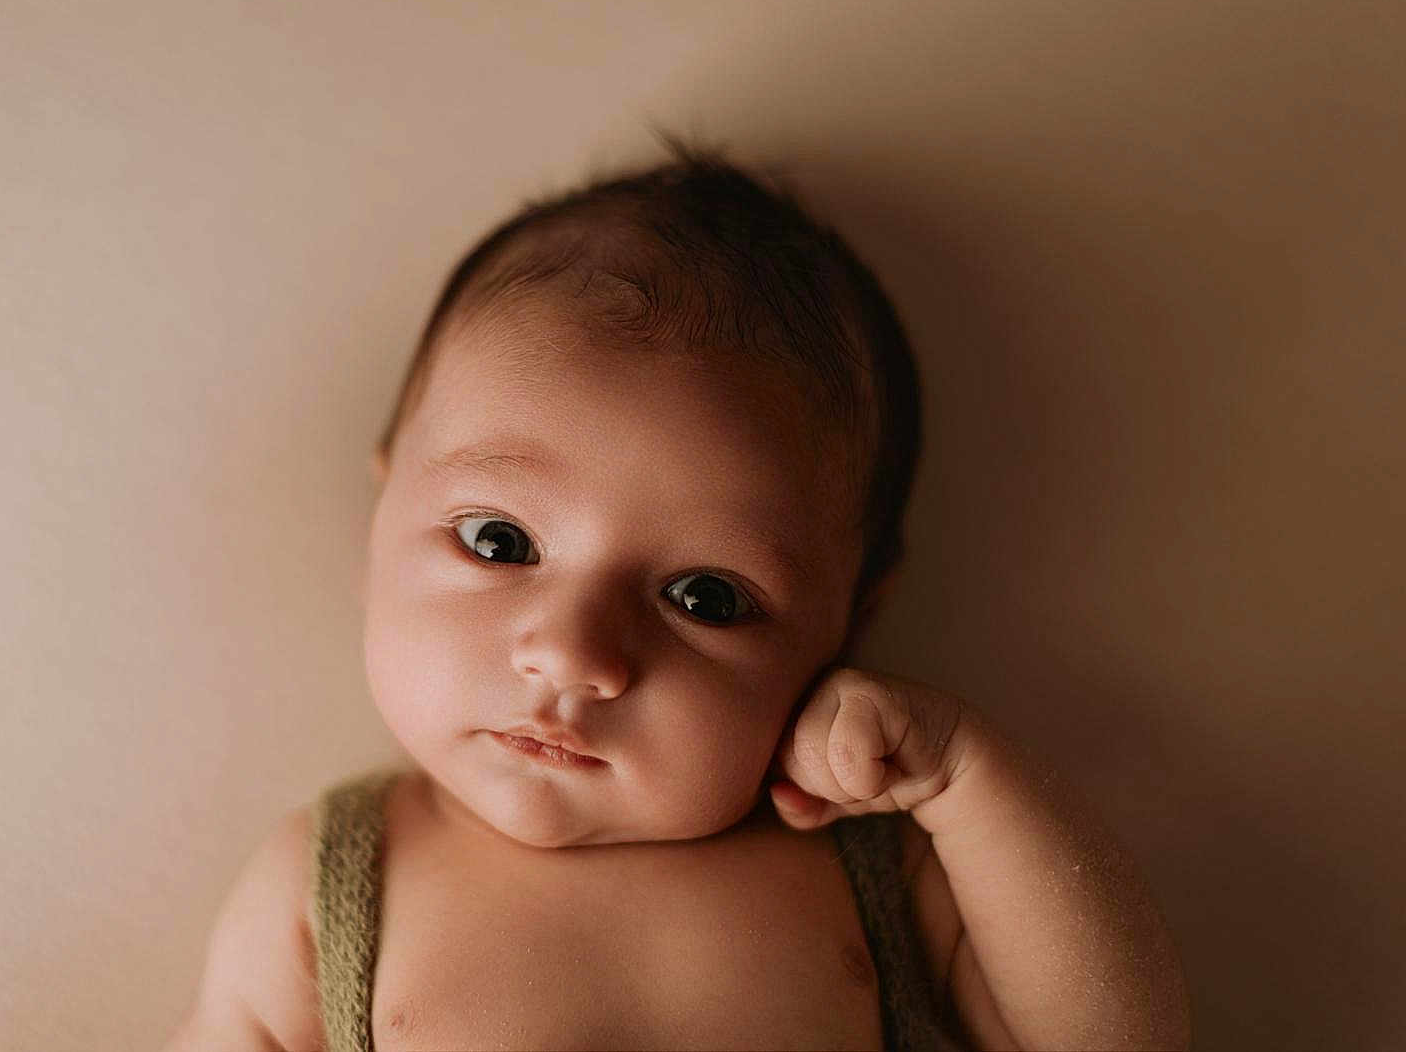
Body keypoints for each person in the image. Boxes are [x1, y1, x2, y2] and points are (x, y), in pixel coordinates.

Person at [163, 140, 1190, 1051]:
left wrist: (967, 779)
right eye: (498, 539)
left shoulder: (866, 862)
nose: (572, 654)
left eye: (703, 596)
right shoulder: (331, 878)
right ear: (380, 519)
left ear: (848, 621)